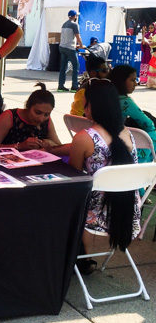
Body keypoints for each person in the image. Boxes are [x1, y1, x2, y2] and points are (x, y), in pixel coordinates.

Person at [69, 79, 140, 273]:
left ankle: (79, 256)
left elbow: (74, 176)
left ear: (92, 106)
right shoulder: (128, 134)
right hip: (129, 212)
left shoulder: (85, 137)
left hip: (94, 215)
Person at [0, 83, 62, 151]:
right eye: (37, 113)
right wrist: (20, 146)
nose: (41, 119)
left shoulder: (47, 121)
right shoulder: (9, 116)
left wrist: (51, 144)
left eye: (46, 114)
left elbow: (60, 146)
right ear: (28, 106)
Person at [109, 64, 156, 162]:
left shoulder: (107, 96)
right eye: (132, 80)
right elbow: (148, 124)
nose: (136, 84)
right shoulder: (125, 101)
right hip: (119, 141)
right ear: (121, 81)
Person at [58, 9, 84, 92]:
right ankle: (74, 86)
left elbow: (65, 37)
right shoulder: (74, 25)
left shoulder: (64, 24)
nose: (76, 17)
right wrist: (81, 45)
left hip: (62, 47)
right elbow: (77, 36)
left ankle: (61, 86)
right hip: (70, 48)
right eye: (76, 15)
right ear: (74, 16)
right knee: (76, 66)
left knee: (63, 67)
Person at [146, 22, 156, 89]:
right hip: (153, 53)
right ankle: (152, 84)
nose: (150, 29)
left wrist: (151, 43)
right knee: (152, 68)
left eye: (152, 28)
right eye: (149, 28)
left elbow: (154, 43)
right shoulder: (152, 35)